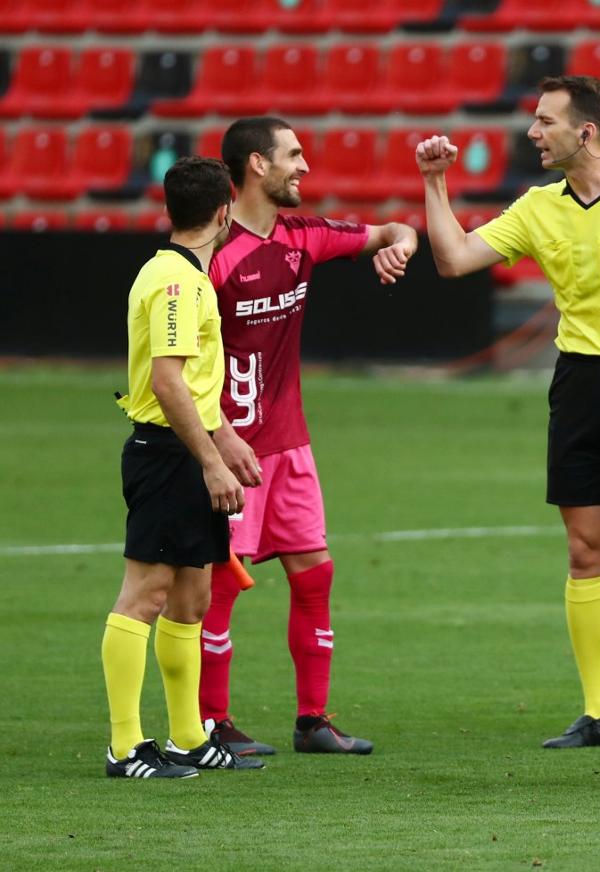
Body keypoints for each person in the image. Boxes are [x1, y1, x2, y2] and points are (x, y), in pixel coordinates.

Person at [415, 76, 600, 749]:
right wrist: (434, 183)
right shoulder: (539, 207)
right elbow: (454, 259)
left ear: (587, 132)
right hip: (577, 384)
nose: (534, 133)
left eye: (545, 122)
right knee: (584, 550)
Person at [199, 117, 418, 756]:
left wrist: (396, 245)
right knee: (217, 588)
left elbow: (395, 226)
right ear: (257, 166)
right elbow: (178, 362)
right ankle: (212, 723)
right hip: (226, 450)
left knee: (314, 575)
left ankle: (312, 721)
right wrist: (214, 441)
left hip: (290, 446)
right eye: (294, 155)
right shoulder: (212, 255)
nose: (305, 167)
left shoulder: (304, 236)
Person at [104, 156, 264, 778]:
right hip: (167, 456)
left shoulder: (184, 273)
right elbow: (167, 382)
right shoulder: (177, 282)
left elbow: (190, 385)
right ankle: (124, 746)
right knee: (144, 595)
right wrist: (210, 462)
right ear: (225, 212)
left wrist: (225, 438)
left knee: (192, 598)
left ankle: (187, 737)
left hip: (190, 448)